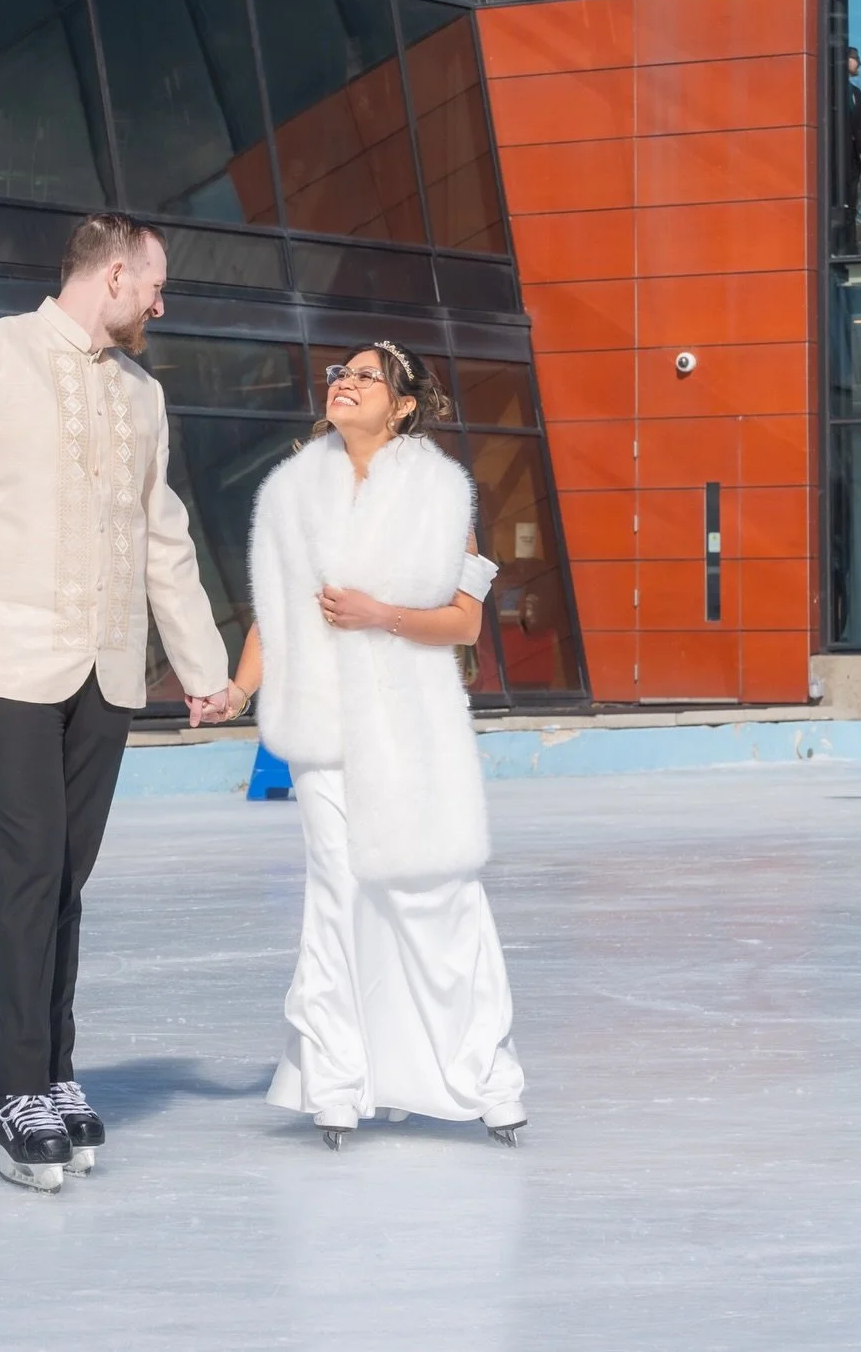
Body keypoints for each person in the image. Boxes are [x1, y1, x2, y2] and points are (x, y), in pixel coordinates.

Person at [0, 213, 231, 1193]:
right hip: (7, 656)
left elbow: (166, 537)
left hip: (108, 665)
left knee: (68, 873)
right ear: (114, 275)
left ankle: (57, 1071)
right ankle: (18, 1088)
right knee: (31, 863)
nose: (162, 304)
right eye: (155, 286)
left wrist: (202, 664)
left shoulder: (144, 395)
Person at [228, 341, 525, 1152]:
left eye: (366, 375)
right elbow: (276, 611)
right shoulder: (296, 488)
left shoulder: (441, 491)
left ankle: (485, 1076)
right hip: (322, 727)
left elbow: (463, 621)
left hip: (410, 725)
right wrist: (241, 687)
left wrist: (379, 613)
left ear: (401, 405)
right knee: (337, 889)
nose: (345, 383)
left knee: (436, 892)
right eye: (339, 373)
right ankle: (336, 1082)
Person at [843, 47, 861, 252]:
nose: (859, 63)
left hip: (851, 158)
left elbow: (860, 126)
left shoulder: (855, 92)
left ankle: (850, 247)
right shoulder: (826, 87)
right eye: (856, 58)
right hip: (831, 155)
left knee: (851, 202)